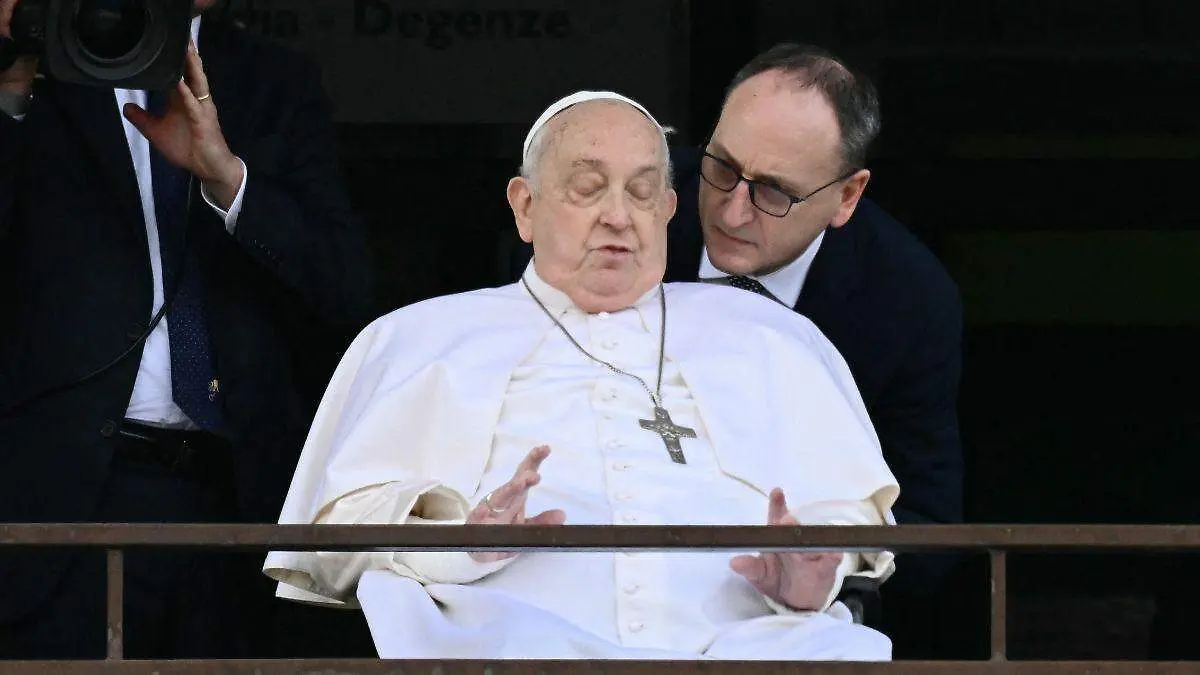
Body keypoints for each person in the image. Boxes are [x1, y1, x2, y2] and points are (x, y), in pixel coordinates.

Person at [265, 90, 900, 661]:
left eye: (642, 192)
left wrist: (808, 579)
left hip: (752, 653)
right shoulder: (420, 338)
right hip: (511, 654)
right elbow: (332, 543)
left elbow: (850, 526)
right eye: (588, 188)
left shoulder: (770, 336)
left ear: (668, 210)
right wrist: (460, 540)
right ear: (525, 206)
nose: (618, 216)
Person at [0, 0, 372, 659]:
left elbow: (345, 288)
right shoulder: (41, 56)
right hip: (61, 496)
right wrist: (11, 84)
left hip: (238, 498)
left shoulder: (274, 77)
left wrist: (230, 182)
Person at [664, 43, 964, 629]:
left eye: (774, 192)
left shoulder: (909, 298)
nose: (731, 212)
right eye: (720, 167)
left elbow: (925, 519)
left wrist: (832, 576)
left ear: (846, 197)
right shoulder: (633, 204)